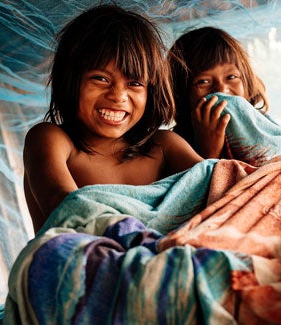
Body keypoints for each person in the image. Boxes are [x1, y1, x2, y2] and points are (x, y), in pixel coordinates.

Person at [23, 4, 203, 233]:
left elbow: (217, 187)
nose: (118, 96)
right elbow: (67, 209)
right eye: (100, 78)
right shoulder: (52, 139)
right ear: (70, 80)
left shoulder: (163, 146)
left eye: (135, 83)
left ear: (151, 91)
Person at [168, 26, 270, 159]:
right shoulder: (175, 145)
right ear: (181, 94)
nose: (222, 90)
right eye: (204, 81)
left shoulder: (262, 127)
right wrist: (209, 151)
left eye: (231, 77)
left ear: (247, 82)